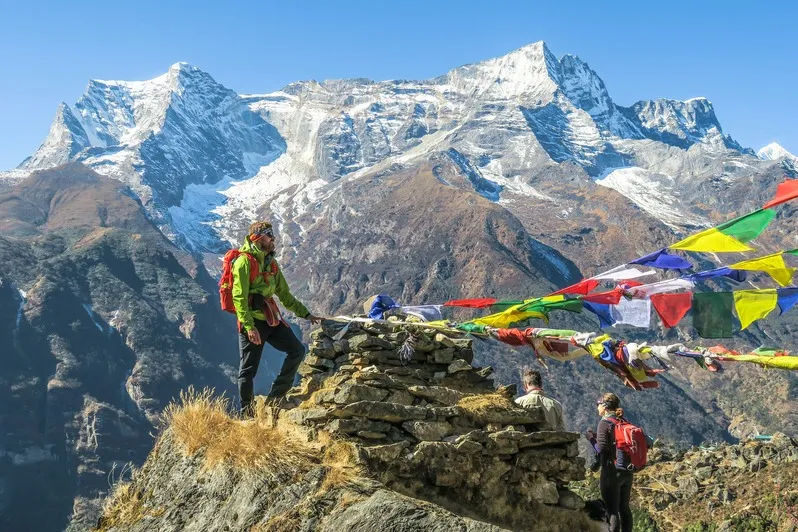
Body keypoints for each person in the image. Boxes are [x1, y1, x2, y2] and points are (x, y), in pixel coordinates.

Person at [232, 221, 320, 415]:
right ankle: (247, 414)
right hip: (253, 322)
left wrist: (306, 314)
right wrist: (249, 327)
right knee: (248, 370)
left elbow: (285, 294)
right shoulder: (244, 262)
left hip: (271, 319)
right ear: (257, 237)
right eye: (269, 235)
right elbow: (239, 297)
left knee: (297, 350)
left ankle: (276, 397)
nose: (273, 238)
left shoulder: (271, 263)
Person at [590, 392, 634, 532]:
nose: (597, 407)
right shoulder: (623, 421)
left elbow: (601, 448)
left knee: (612, 511)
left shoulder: (604, 423)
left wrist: (591, 438)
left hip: (611, 472)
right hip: (627, 471)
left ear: (605, 406)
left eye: (598, 404)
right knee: (625, 509)